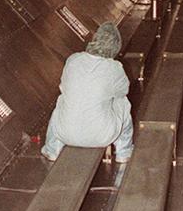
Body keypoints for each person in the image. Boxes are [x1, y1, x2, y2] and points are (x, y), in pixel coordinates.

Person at [42, 22, 133, 164]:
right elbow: (123, 90)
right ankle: (124, 152)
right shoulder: (114, 67)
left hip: (65, 133)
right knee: (122, 102)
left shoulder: (73, 59)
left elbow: (63, 86)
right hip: (101, 136)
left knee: (62, 100)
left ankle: (52, 149)